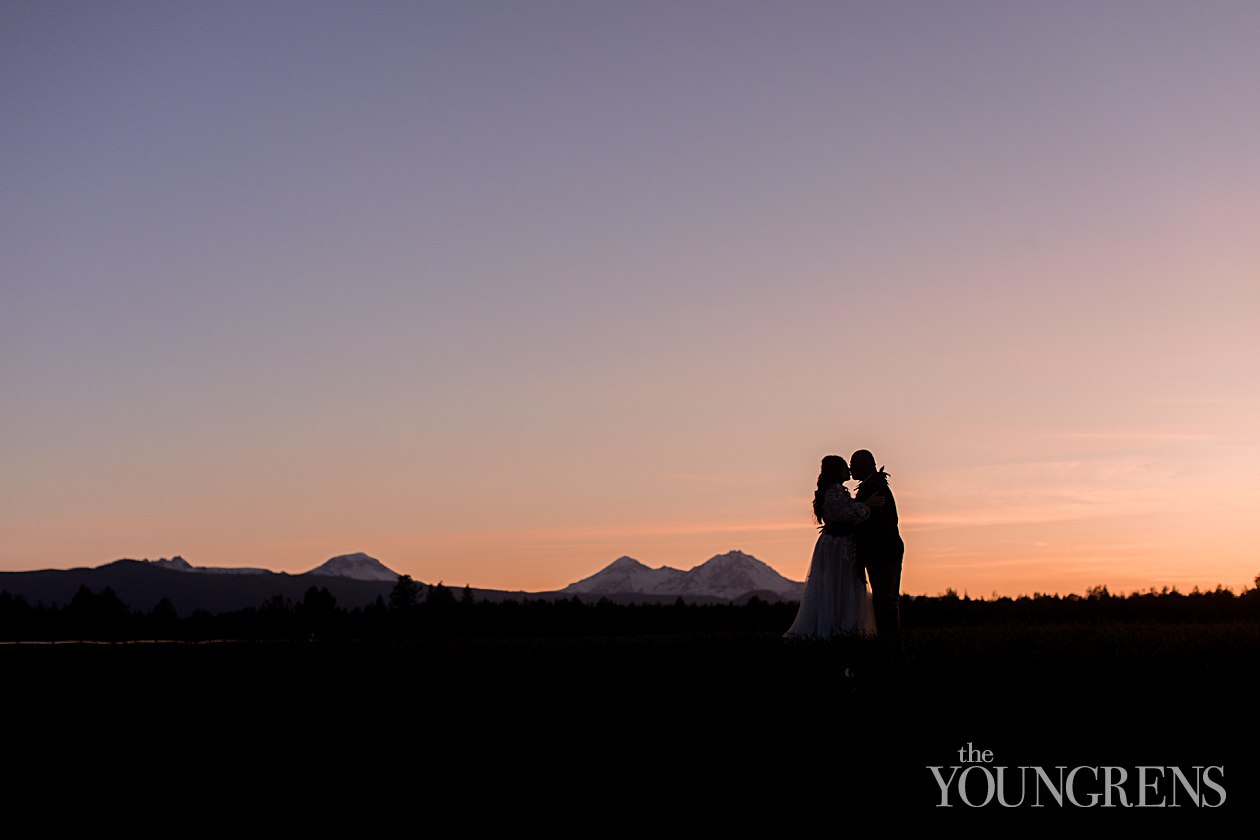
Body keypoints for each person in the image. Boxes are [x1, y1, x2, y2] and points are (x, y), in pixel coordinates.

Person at [784, 455, 881, 639]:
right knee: (840, 583)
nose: (849, 470)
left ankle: (842, 627)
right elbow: (848, 514)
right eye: (845, 467)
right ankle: (840, 627)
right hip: (839, 546)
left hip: (834, 544)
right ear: (837, 471)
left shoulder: (833, 491)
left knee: (837, 583)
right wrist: (868, 504)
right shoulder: (834, 491)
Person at [850, 449, 904, 657]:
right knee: (886, 600)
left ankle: (890, 646)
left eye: (853, 465)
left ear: (864, 465)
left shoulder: (872, 488)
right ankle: (890, 644)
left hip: (882, 552)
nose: (850, 469)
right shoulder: (876, 485)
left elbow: (869, 522)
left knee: (885, 601)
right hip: (887, 550)